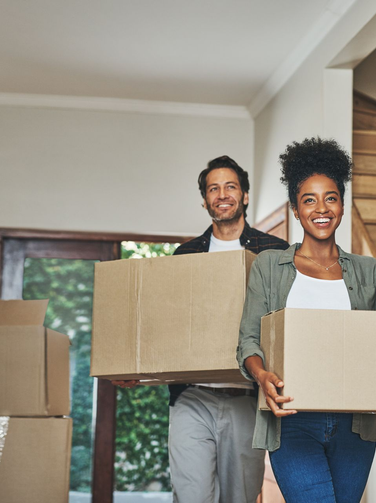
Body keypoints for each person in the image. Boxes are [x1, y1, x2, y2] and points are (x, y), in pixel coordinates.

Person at [236, 138, 376, 503]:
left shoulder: (369, 271)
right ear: (295, 210)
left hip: (357, 424)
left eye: (331, 197)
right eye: (309, 199)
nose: (321, 208)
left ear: (343, 205)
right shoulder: (269, 267)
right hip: (292, 419)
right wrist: (262, 375)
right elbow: (248, 341)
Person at [114, 155, 289, 503]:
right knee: (191, 495)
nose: (222, 194)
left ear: (245, 195)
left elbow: (285, 323)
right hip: (192, 398)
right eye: (213, 188)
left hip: (245, 398)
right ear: (205, 200)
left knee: (240, 497)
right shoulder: (185, 254)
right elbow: (167, 325)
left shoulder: (275, 252)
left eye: (230, 186)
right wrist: (136, 368)